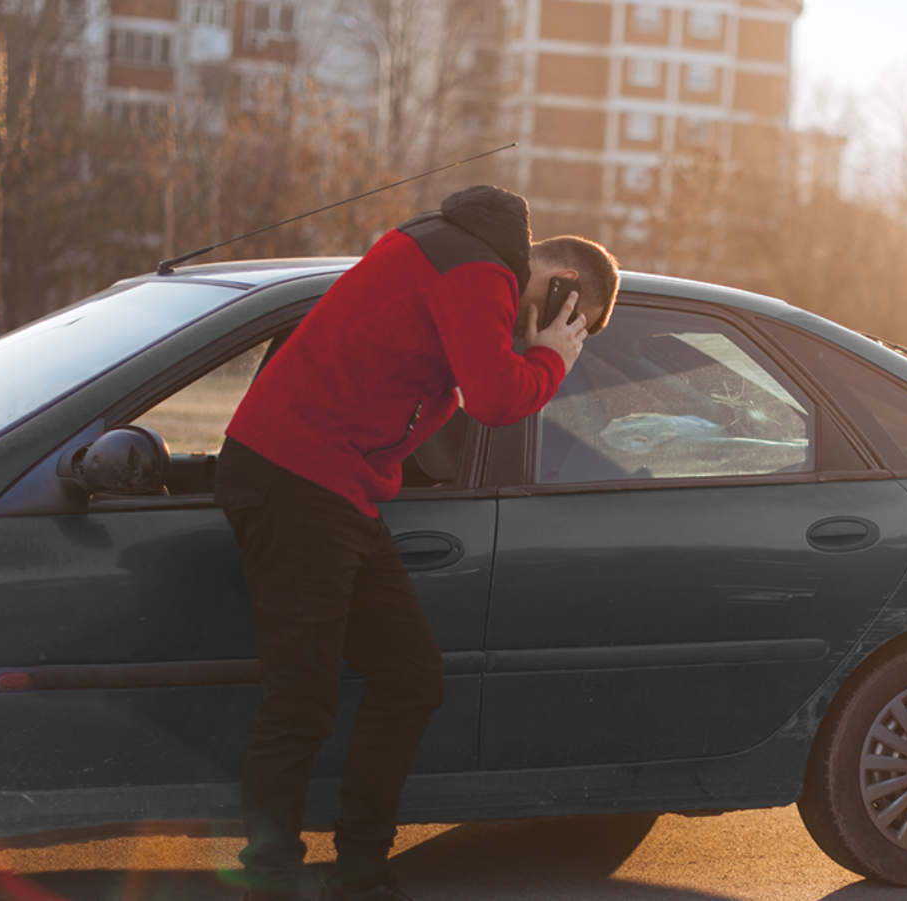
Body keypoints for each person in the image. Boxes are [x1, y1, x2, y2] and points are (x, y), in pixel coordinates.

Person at [214, 184, 619, 901]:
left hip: (334, 483)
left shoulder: (452, 253)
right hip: (299, 474)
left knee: (410, 677)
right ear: (560, 289)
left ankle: (360, 867)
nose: (563, 328)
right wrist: (550, 357)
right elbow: (495, 398)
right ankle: (270, 880)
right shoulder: (478, 272)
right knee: (300, 697)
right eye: (571, 317)